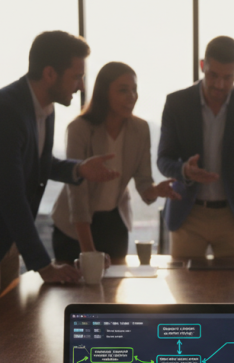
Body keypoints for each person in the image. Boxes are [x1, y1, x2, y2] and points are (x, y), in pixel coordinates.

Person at [0, 31, 119, 311]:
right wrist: (43, 265)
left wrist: (79, 169)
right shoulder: (2, 113)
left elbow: (38, 163)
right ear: (50, 74)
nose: (80, 86)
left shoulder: (45, 108)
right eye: (76, 77)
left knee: (8, 322)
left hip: (3, 235)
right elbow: (11, 195)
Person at [157, 36, 234, 258]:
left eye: (227, 77)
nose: (219, 85)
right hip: (188, 215)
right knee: (184, 280)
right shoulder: (176, 103)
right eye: (213, 75)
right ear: (202, 65)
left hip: (233, 216)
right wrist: (184, 171)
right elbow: (163, 159)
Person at [51, 62, 180, 265]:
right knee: (76, 283)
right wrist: (89, 253)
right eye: (123, 90)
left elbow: (144, 181)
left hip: (114, 221)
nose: (132, 96)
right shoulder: (79, 128)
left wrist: (155, 190)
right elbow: (77, 195)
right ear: (104, 93)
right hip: (74, 227)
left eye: (134, 90)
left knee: (114, 282)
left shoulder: (140, 129)